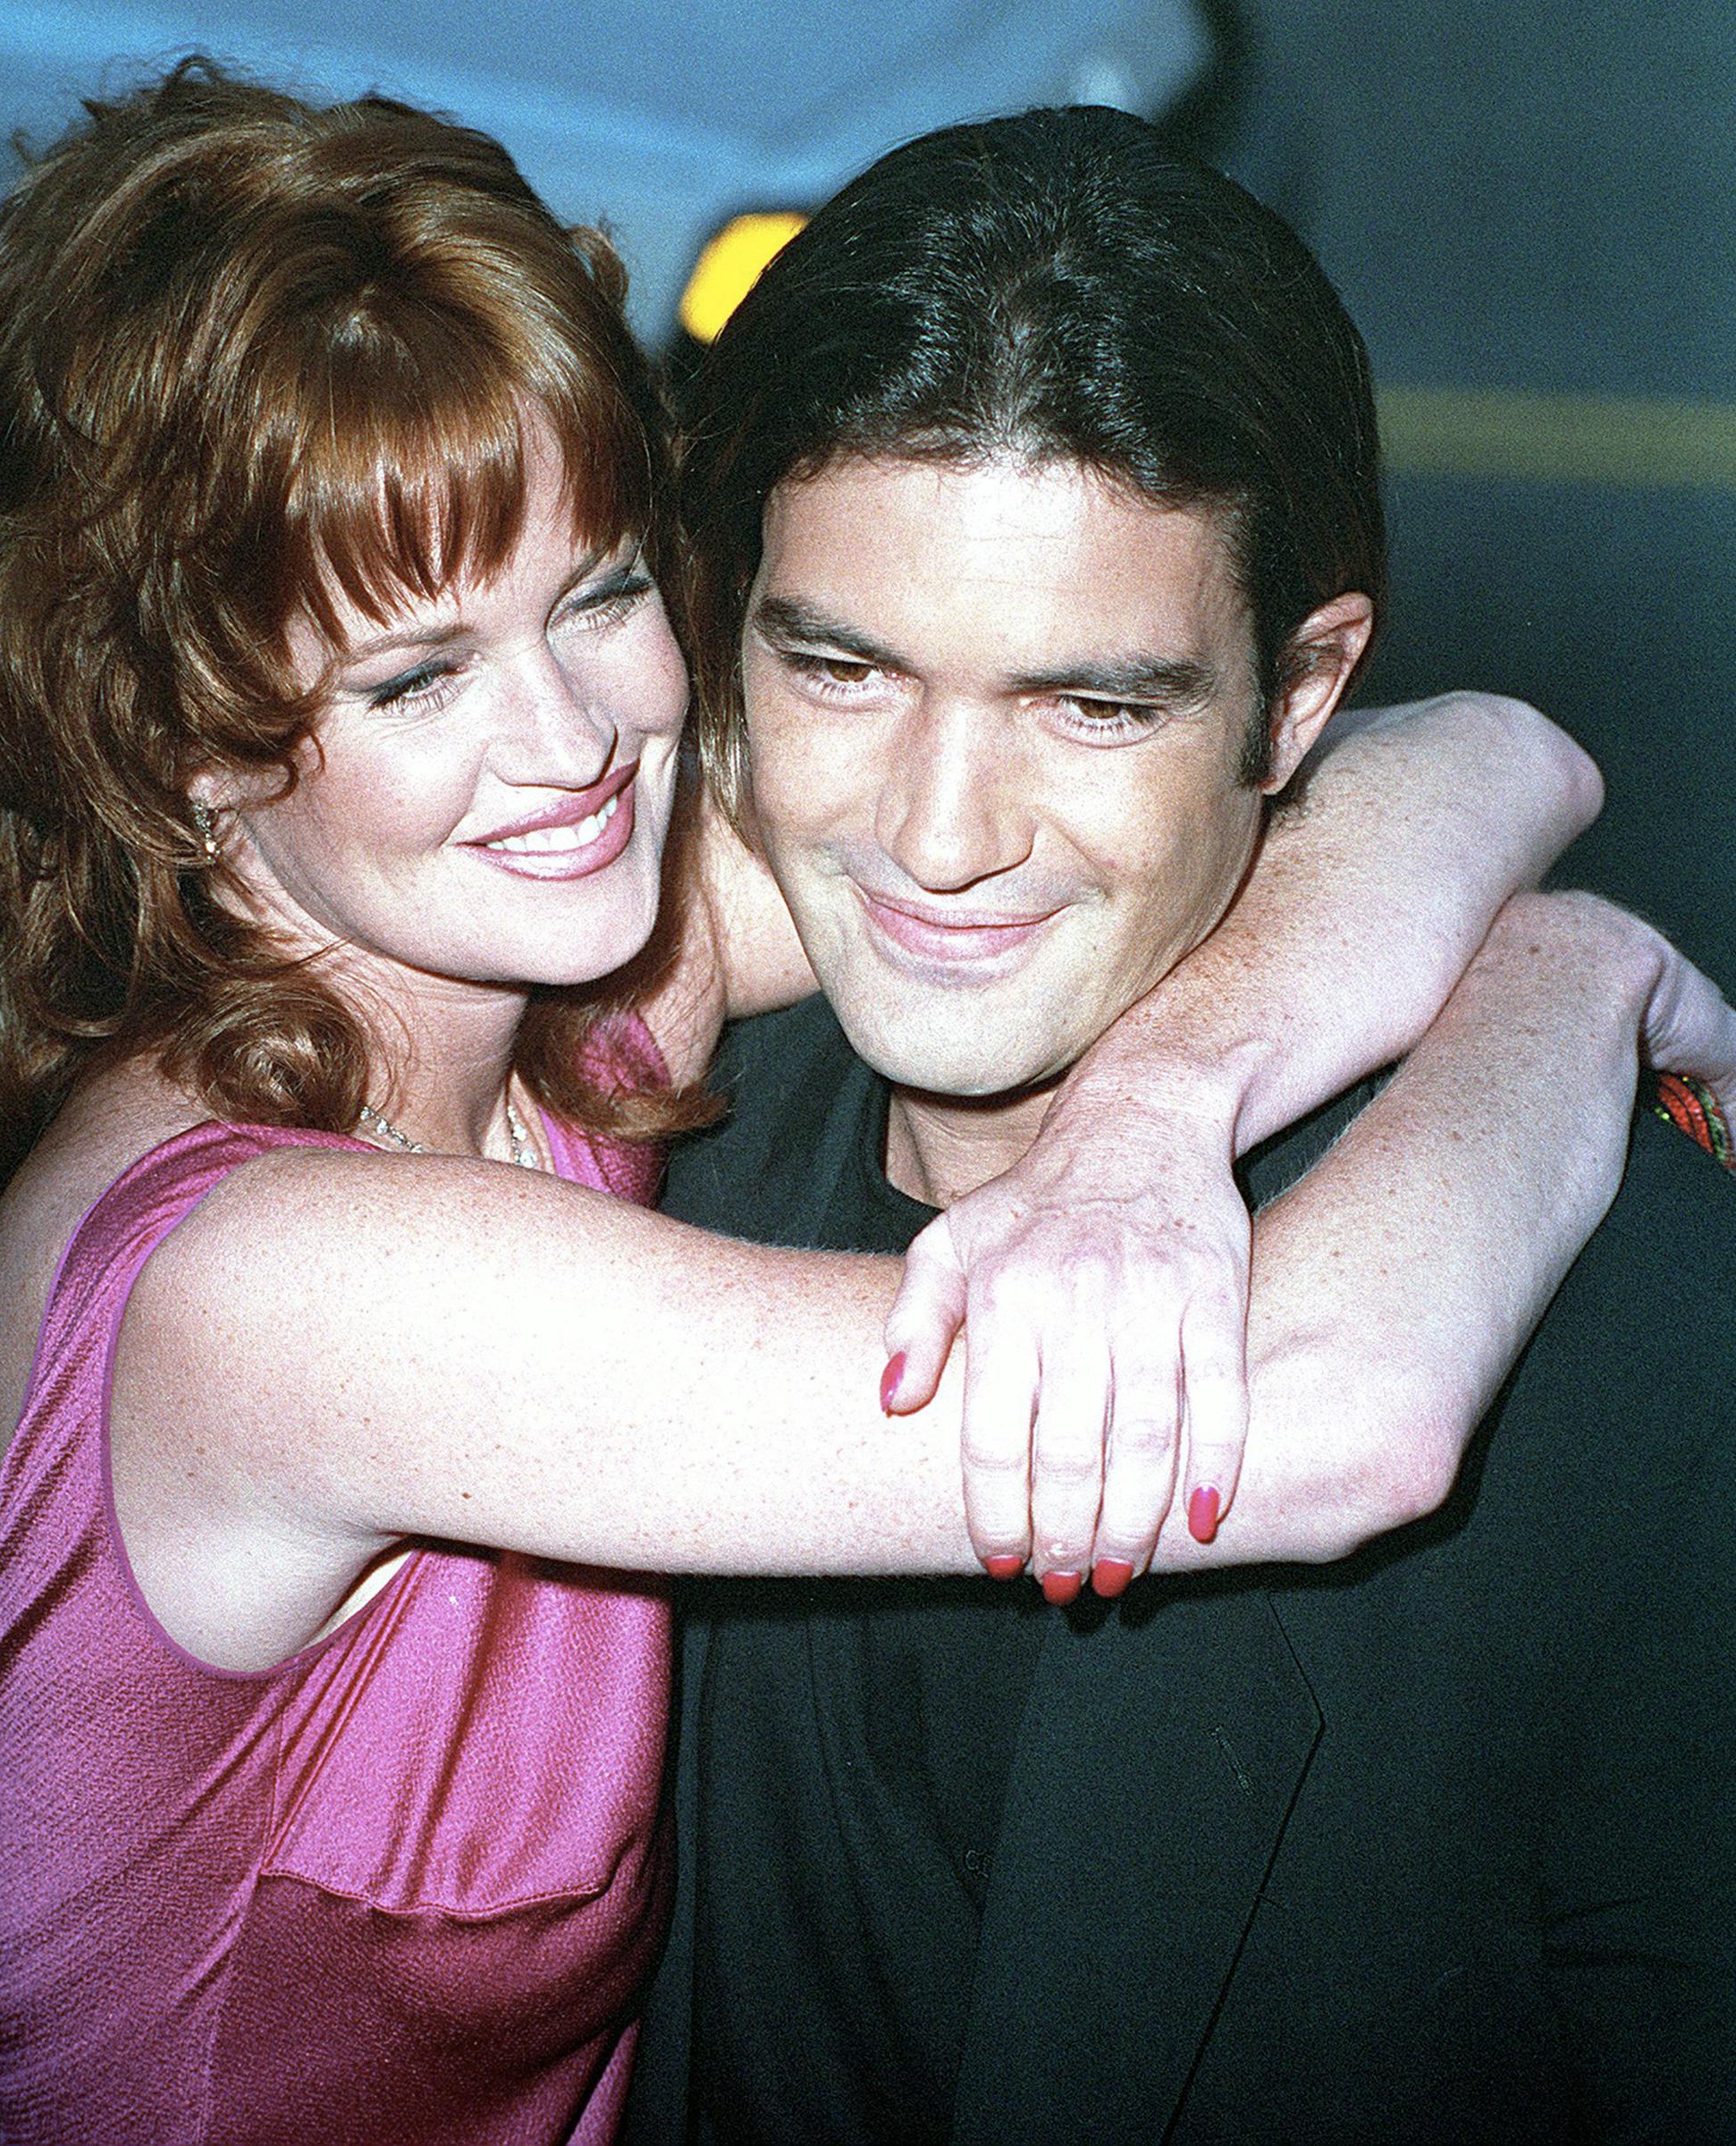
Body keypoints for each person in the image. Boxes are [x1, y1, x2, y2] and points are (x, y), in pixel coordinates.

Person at [0, 61, 1719, 2146]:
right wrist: (1574, 993)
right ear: (183, 741)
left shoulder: (553, 989)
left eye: (594, 594)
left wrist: (1162, 1103)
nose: (571, 741)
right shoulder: (290, 1285)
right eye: (415, 679)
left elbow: (1452, 757)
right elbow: (1318, 1420)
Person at [617, 103, 1736, 2144]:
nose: (937, 840)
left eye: (1090, 706)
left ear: (1300, 700)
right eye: (845, 671)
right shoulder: (628, 1156)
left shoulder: (1631, 1347)